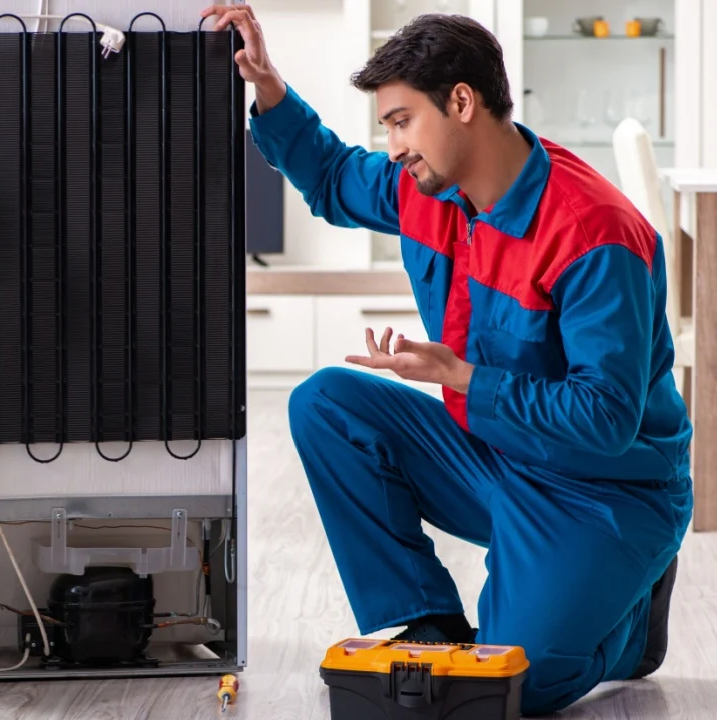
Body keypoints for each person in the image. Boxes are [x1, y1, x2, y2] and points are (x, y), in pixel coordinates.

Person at [201, 6, 693, 716]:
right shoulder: (429, 189)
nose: (393, 144)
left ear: (461, 102)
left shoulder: (594, 233)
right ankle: (430, 615)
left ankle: (633, 627)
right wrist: (268, 87)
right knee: (326, 406)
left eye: (401, 120)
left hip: (604, 487)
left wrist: (463, 378)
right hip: (497, 454)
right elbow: (336, 175)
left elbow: (607, 417)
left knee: (514, 682)